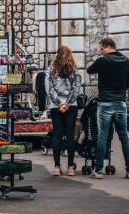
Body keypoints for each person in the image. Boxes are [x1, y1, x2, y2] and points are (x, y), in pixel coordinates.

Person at [87, 37, 129, 179]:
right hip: (120, 103)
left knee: (102, 137)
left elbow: (89, 70)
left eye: (101, 49)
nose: (100, 52)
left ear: (108, 47)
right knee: (124, 136)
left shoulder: (102, 61)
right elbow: (128, 82)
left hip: (105, 103)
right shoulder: (126, 61)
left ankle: (99, 171)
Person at [45, 45, 81, 176]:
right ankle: (71, 167)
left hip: (56, 107)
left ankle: (56, 167)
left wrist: (59, 103)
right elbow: (76, 89)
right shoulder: (74, 69)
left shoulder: (51, 69)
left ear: (57, 55)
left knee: (57, 135)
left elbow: (49, 90)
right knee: (70, 135)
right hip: (72, 106)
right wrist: (68, 103)